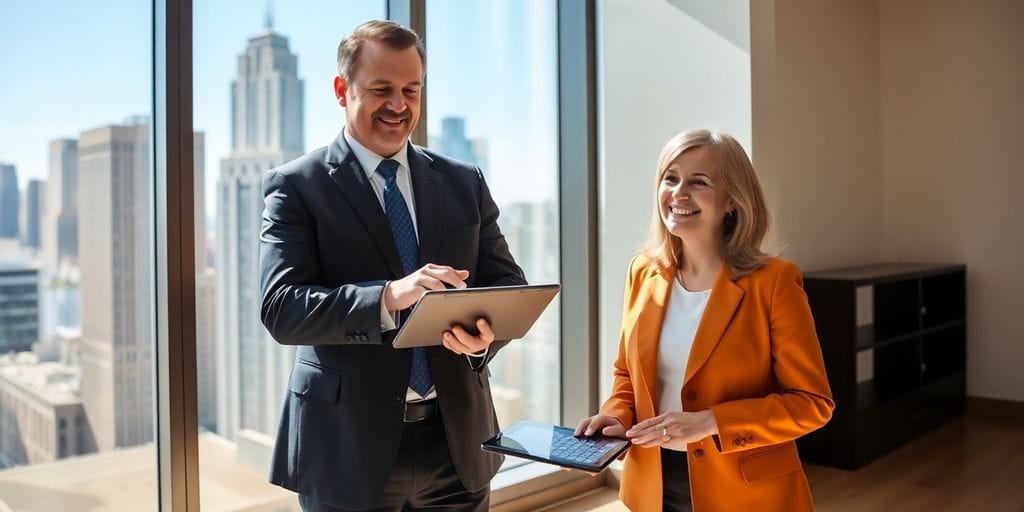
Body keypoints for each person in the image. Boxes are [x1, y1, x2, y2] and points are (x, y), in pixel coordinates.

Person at [259, 20, 526, 512]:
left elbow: (507, 286)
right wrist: (386, 297)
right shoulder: (297, 186)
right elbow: (281, 308)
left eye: (411, 90)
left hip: (458, 445)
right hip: (347, 450)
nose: (399, 106)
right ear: (342, 90)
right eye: (381, 89)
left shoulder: (463, 181)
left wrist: (485, 337)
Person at [575, 129, 834, 511]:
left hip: (745, 493)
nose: (679, 194)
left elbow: (812, 403)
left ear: (732, 200)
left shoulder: (774, 282)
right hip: (652, 485)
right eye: (670, 178)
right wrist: (615, 417)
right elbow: (626, 375)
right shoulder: (642, 272)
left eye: (699, 182)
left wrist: (711, 421)